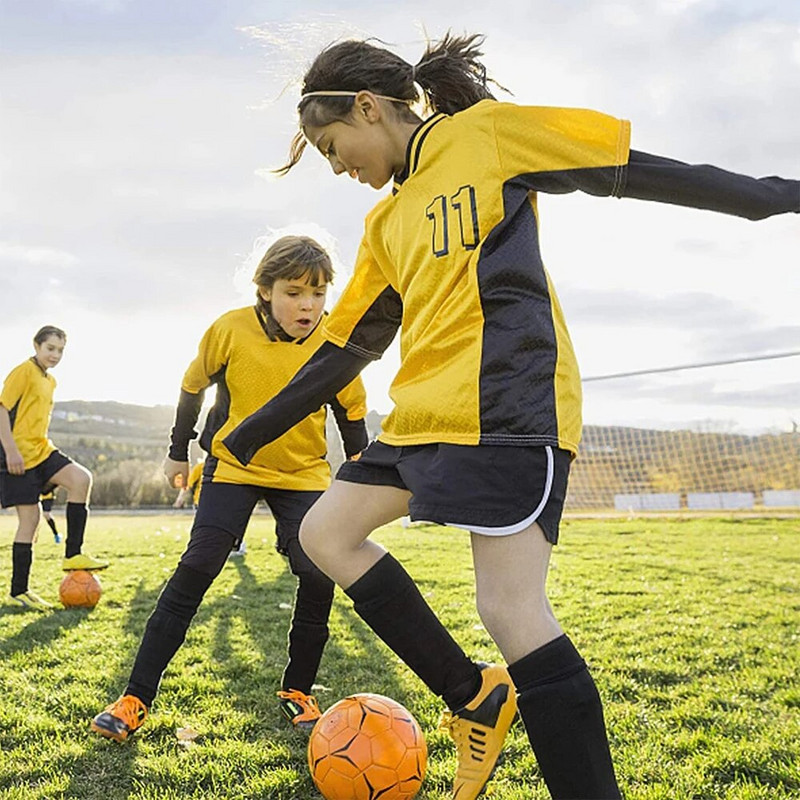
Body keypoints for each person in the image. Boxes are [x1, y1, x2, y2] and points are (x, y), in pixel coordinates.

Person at [221, 33, 800, 800]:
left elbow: (636, 172)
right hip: (421, 419)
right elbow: (347, 348)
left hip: (507, 406)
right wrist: (242, 433)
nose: (336, 166)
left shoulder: (488, 137)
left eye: (333, 145)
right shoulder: (384, 226)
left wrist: (776, 194)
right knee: (326, 532)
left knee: (510, 607)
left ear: (368, 107)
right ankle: (476, 696)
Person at [91, 234, 369, 741]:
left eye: (319, 292)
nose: (308, 304)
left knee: (317, 572)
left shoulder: (335, 338)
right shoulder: (230, 329)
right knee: (198, 566)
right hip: (233, 468)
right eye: (293, 292)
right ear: (265, 290)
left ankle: (298, 690)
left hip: (303, 475)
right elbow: (192, 386)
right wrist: (179, 450)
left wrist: (361, 469)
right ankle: (134, 698)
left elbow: (351, 412)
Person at [0, 326, 109, 612]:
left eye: (60, 350)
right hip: (16, 457)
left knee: (81, 479)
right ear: (36, 346)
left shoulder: (51, 381)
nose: (55, 355)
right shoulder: (22, 371)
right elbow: (1, 409)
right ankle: (19, 591)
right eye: (50, 348)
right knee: (30, 521)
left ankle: (73, 554)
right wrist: (10, 450)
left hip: (43, 451)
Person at [173, 457, 246, 557]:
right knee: (213, 528)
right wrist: (180, 499)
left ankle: (234, 548)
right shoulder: (200, 467)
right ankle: (206, 550)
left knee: (223, 526)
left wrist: (180, 499)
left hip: (218, 501)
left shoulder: (228, 466)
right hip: (203, 502)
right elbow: (188, 484)